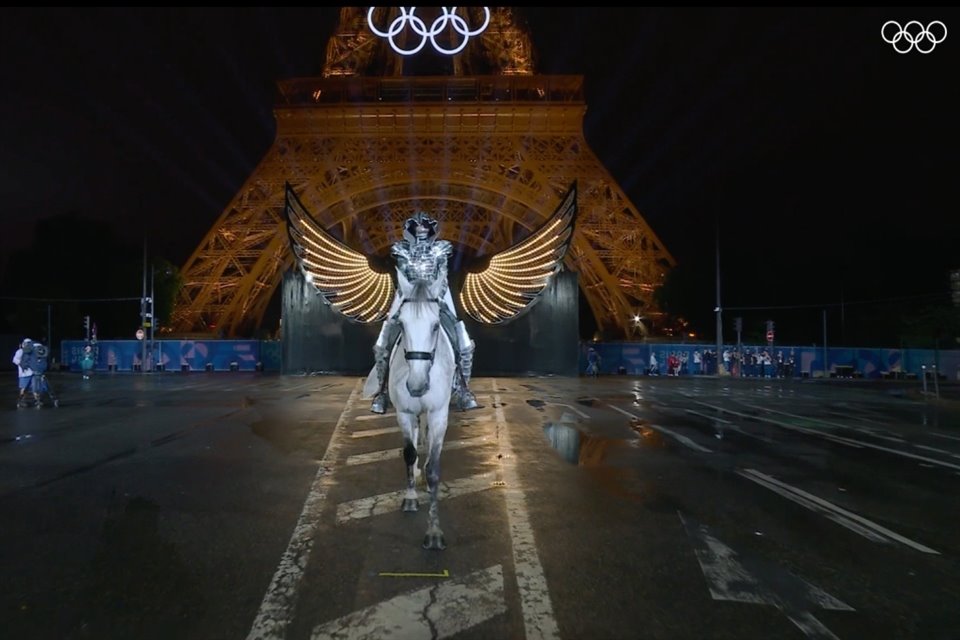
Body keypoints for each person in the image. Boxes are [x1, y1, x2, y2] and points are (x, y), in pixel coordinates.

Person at [369, 211, 479, 414]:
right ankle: (382, 391)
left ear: (431, 230)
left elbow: (442, 276)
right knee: (381, 344)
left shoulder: (440, 249)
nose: (421, 230)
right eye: (417, 227)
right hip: (407, 297)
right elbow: (403, 278)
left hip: (435, 297)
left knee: (464, 343)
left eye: (425, 227)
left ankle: (464, 388)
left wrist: (435, 300)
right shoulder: (401, 250)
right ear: (410, 230)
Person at [13, 338, 36, 408]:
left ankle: (37, 400)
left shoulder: (32, 351)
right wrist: (22, 364)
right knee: (23, 388)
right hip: (24, 374)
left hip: (32, 372)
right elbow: (14, 360)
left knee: (35, 387)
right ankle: (21, 401)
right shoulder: (20, 351)